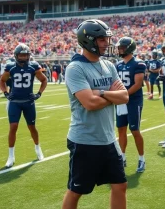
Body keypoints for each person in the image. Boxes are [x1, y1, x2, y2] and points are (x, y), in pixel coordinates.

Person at [62, 19, 128, 209]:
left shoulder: (109, 65)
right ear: (88, 40)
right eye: (101, 39)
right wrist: (111, 96)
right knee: (76, 190)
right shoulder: (75, 68)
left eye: (106, 39)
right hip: (85, 140)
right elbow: (89, 103)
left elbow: (124, 97)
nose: (106, 43)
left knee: (120, 185)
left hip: (108, 138)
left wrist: (101, 93)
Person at [0, 44, 47, 168]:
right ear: (16, 56)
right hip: (15, 102)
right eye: (21, 55)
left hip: (28, 102)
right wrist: (5, 93)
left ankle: (37, 148)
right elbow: (2, 80)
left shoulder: (34, 66)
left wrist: (38, 94)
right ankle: (11, 156)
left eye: (25, 55)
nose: (24, 57)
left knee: (32, 127)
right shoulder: (10, 67)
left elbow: (44, 80)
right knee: (13, 127)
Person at [115, 36, 146, 172]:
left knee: (134, 130)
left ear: (129, 48)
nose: (120, 49)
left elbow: (138, 84)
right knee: (121, 129)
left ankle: (141, 159)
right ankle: (122, 157)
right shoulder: (118, 65)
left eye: (122, 47)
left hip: (133, 101)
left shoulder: (138, 63)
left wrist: (123, 95)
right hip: (121, 101)